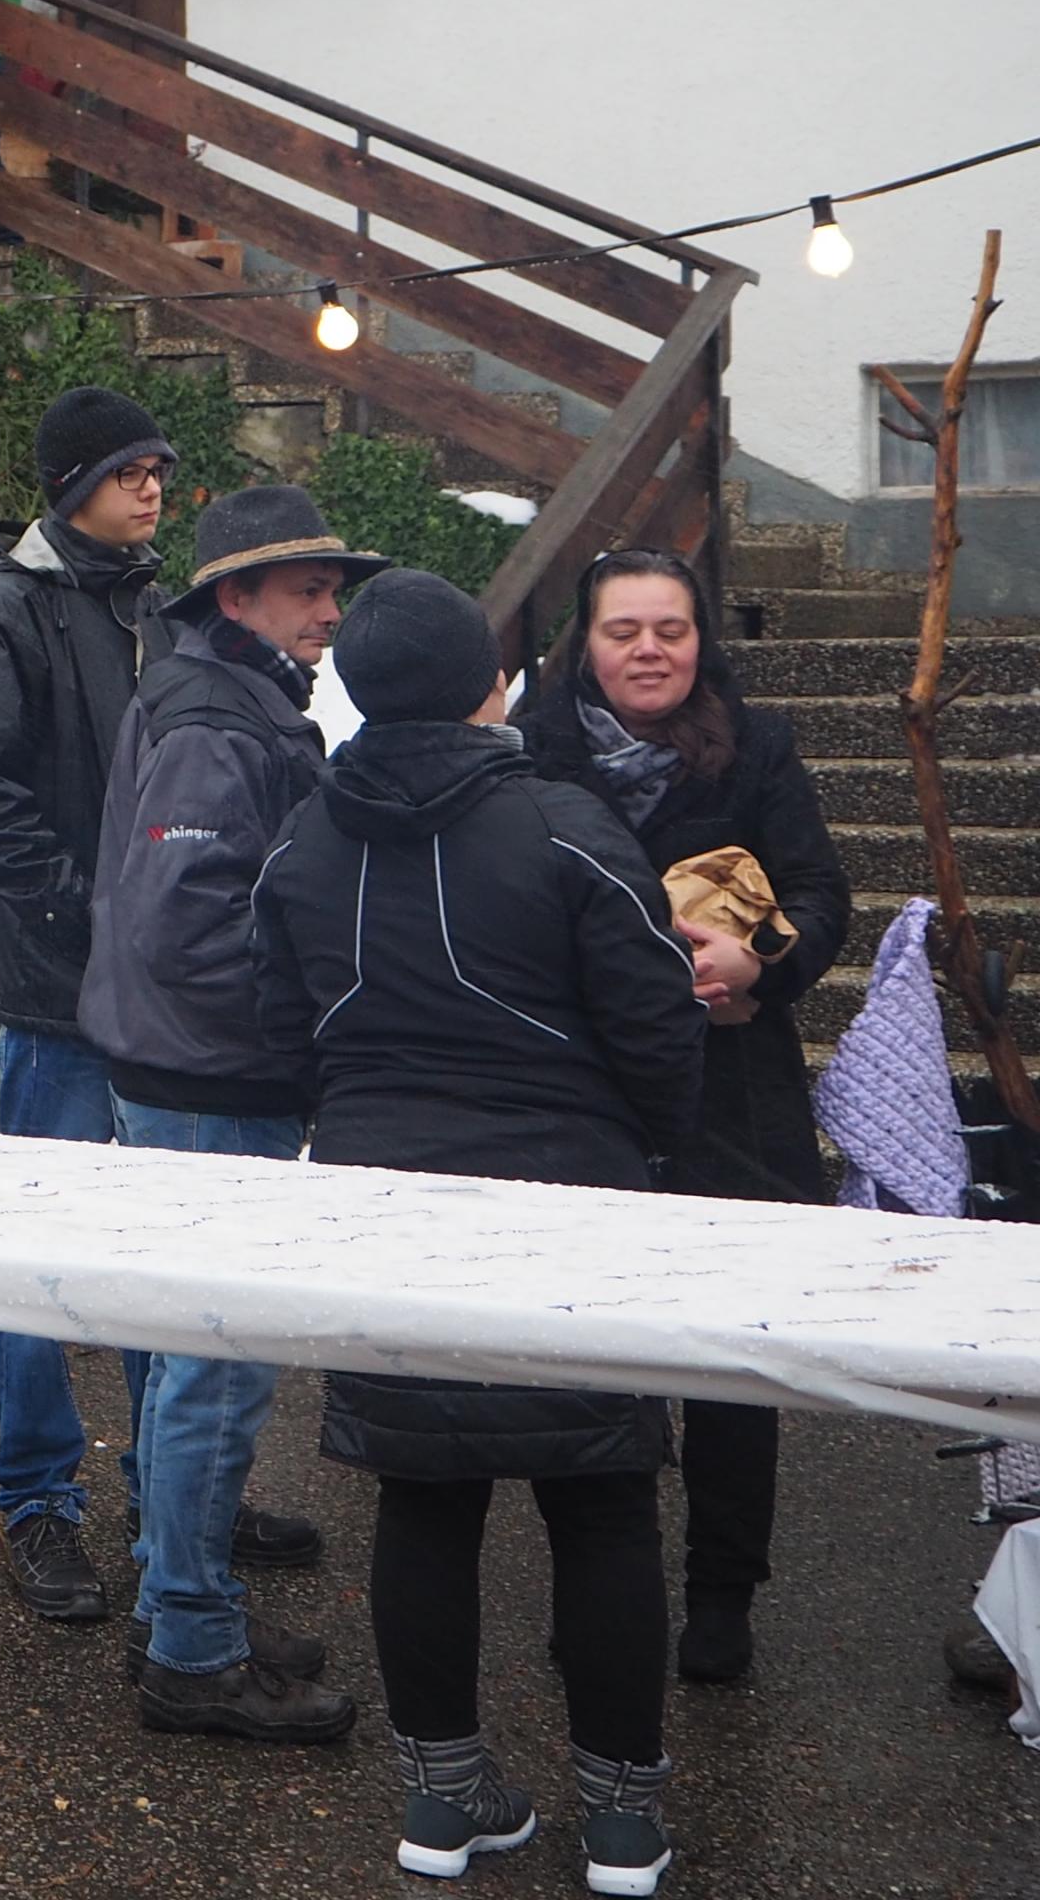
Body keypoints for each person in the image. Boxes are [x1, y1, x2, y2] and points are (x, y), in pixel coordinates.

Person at [256, 569, 706, 1897]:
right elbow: (659, 1026)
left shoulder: (305, 841)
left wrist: (356, 1125)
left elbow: (280, 1033)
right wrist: (642, 1154)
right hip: (569, 1202)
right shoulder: (566, 826)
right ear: (491, 689)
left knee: (423, 1497)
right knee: (604, 1502)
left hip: (384, 1207)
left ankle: (442, 1802)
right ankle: (621, 1822)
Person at [74, 485, 381, 1743]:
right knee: (211, 1371)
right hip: (207, 1083)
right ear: (235, 597)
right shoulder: (216, 718)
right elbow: (185, 925)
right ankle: (192, 1652)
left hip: (185, 1072)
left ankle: (176, 1607)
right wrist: (297, 1030)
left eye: (332, 588)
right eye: (307, 588)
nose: (329, 610)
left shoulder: (227, 695)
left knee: (188, 1364)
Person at [517, 548, 851, 1687]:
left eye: (671, 629)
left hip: (733, 1083)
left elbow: (818, 891)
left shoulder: (755, 745)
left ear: (701, 640)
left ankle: (721, 1595)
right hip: (589, 1087)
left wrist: (759, 958)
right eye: (624, 632)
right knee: (596, 1349)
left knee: (732, 1356)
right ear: (585, 644)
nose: (650, 651)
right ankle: (599, 1587)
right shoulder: (533, 755)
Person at [0, 384, 173, 1624]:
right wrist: (81, 907)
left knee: (157, 1249)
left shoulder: (155, 606)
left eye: (157, 469)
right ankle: (35, 1501)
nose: (151, 488)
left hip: (164, 993)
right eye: (129, 470)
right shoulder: (7, 613)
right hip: (58, 993)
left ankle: (169, 1491)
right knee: (39, 1261)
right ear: (73, 483)